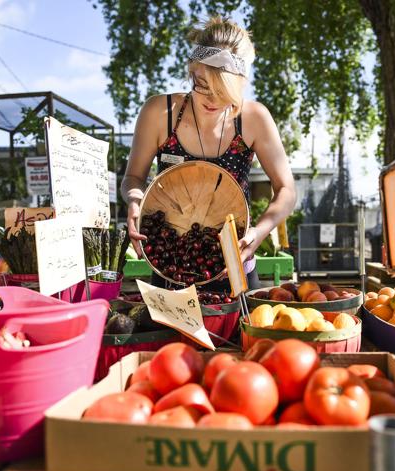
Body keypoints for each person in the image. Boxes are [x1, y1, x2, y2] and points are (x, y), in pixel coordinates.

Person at [121, 16, 296, 290]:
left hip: (233, 266)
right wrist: (134, 201)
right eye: (202, 84)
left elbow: (286, 189)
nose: (212, 99)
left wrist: (258, 233)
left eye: (224, 91)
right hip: (171, 265)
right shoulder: (158, 113)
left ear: (240, 84)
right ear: (192, 69)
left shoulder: (254, 118)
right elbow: (133, 177)